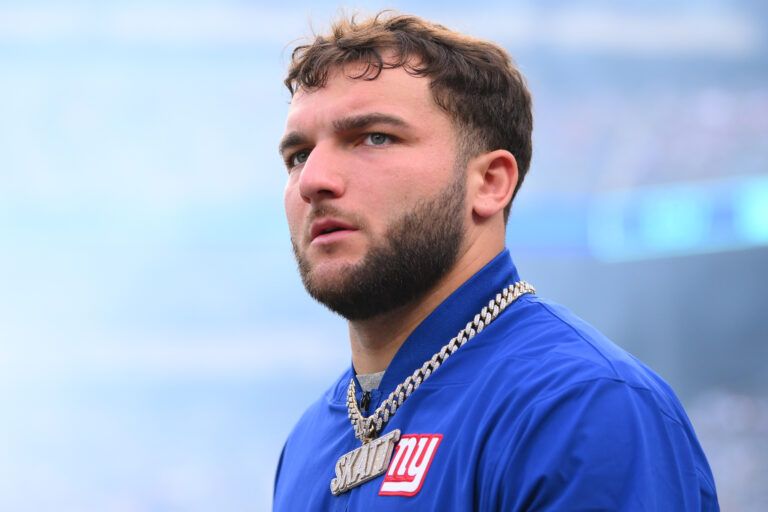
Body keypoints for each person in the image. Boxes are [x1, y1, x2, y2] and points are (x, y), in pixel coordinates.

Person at [273, 11, 719, 511]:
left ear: (489, 183)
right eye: (298, 155)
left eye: (375, 137)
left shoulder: (581, 406)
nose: (314, 180)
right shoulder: (310, 440)